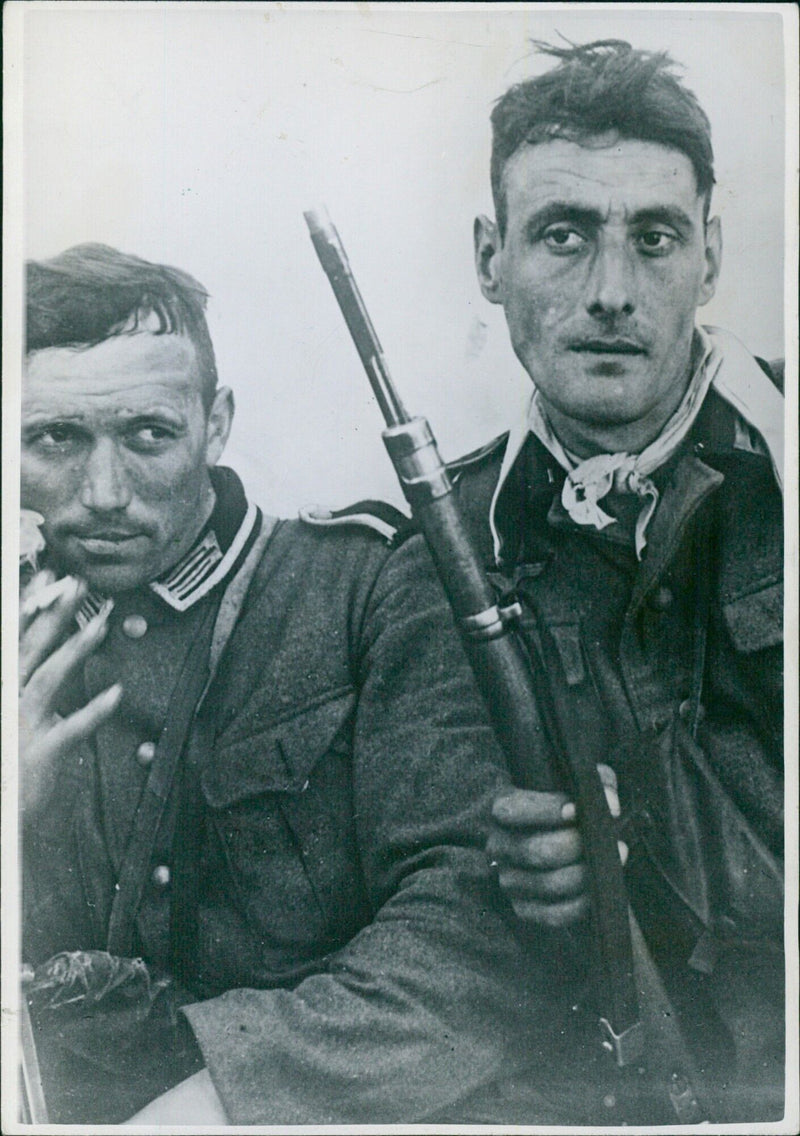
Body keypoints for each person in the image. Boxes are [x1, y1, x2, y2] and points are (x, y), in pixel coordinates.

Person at [18, 243, 534, 1125]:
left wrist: (225, 1099)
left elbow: (469, 941)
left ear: (216, 423)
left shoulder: (366, 591)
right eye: (54, 438)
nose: (103, 492)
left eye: (149, 434)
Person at [448, 40, 785, 1125]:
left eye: (653, 238)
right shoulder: (438, 543)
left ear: (710, 256)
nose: (609, 292)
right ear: (488, 259)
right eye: (561, 235)